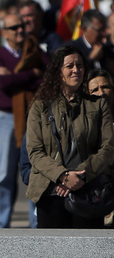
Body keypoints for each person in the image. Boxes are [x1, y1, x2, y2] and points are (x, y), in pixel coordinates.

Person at [26, 46, 114, 228]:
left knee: (88, 253)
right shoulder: (40, 106)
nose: (76, 70)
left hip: (89, 190)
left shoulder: (98, 106)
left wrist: (80, 177)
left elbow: (108, 149)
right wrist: (63, 176)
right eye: (70, 66)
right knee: (52, 253)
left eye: (80, 65)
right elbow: (35, 152)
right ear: (58, 71)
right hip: (50, 190)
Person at [0, 13, 47, 228]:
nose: (20, 30)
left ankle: (37, 222)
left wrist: (15, 76)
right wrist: (32, 72)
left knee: (35, 169)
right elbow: (2, 83)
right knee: (4, 173)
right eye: (14, 28)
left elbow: (46, 79)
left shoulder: (36, 52)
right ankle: (0, 225)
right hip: (5, 118)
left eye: (22, 26)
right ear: (4, 33)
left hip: (33, 117)